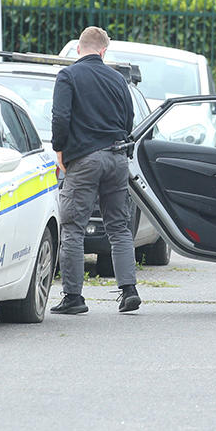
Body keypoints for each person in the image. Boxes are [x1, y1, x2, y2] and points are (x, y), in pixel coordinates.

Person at [50, 26, 141, 315]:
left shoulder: (68, 76)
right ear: (103, 51)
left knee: (73, 228)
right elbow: (129, 120)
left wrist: (59, 149)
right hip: (116, 158)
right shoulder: (117, 79)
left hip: (84, 160)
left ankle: (73, 297)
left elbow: (61, 117)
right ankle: (129, 292)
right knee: (118, 227)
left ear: (79, 48)